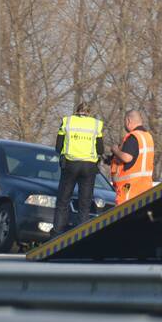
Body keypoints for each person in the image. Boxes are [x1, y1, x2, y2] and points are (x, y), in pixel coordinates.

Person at [52, 100, 104, 235]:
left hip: (70, 164)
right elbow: (100, 149)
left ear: (76, 110)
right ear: (89, 112)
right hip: (88, 166)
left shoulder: (67, 122)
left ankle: (58, 232)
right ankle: (82, 234)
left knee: (63, 200)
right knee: (85, 203)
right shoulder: (96, 125)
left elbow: (58, 147)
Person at [109, 109, 155, 205]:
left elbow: (127, 158)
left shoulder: (133, 137)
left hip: (129, 191)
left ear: (128, 121)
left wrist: (115, 150)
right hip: (145, 188)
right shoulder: (148, 137)